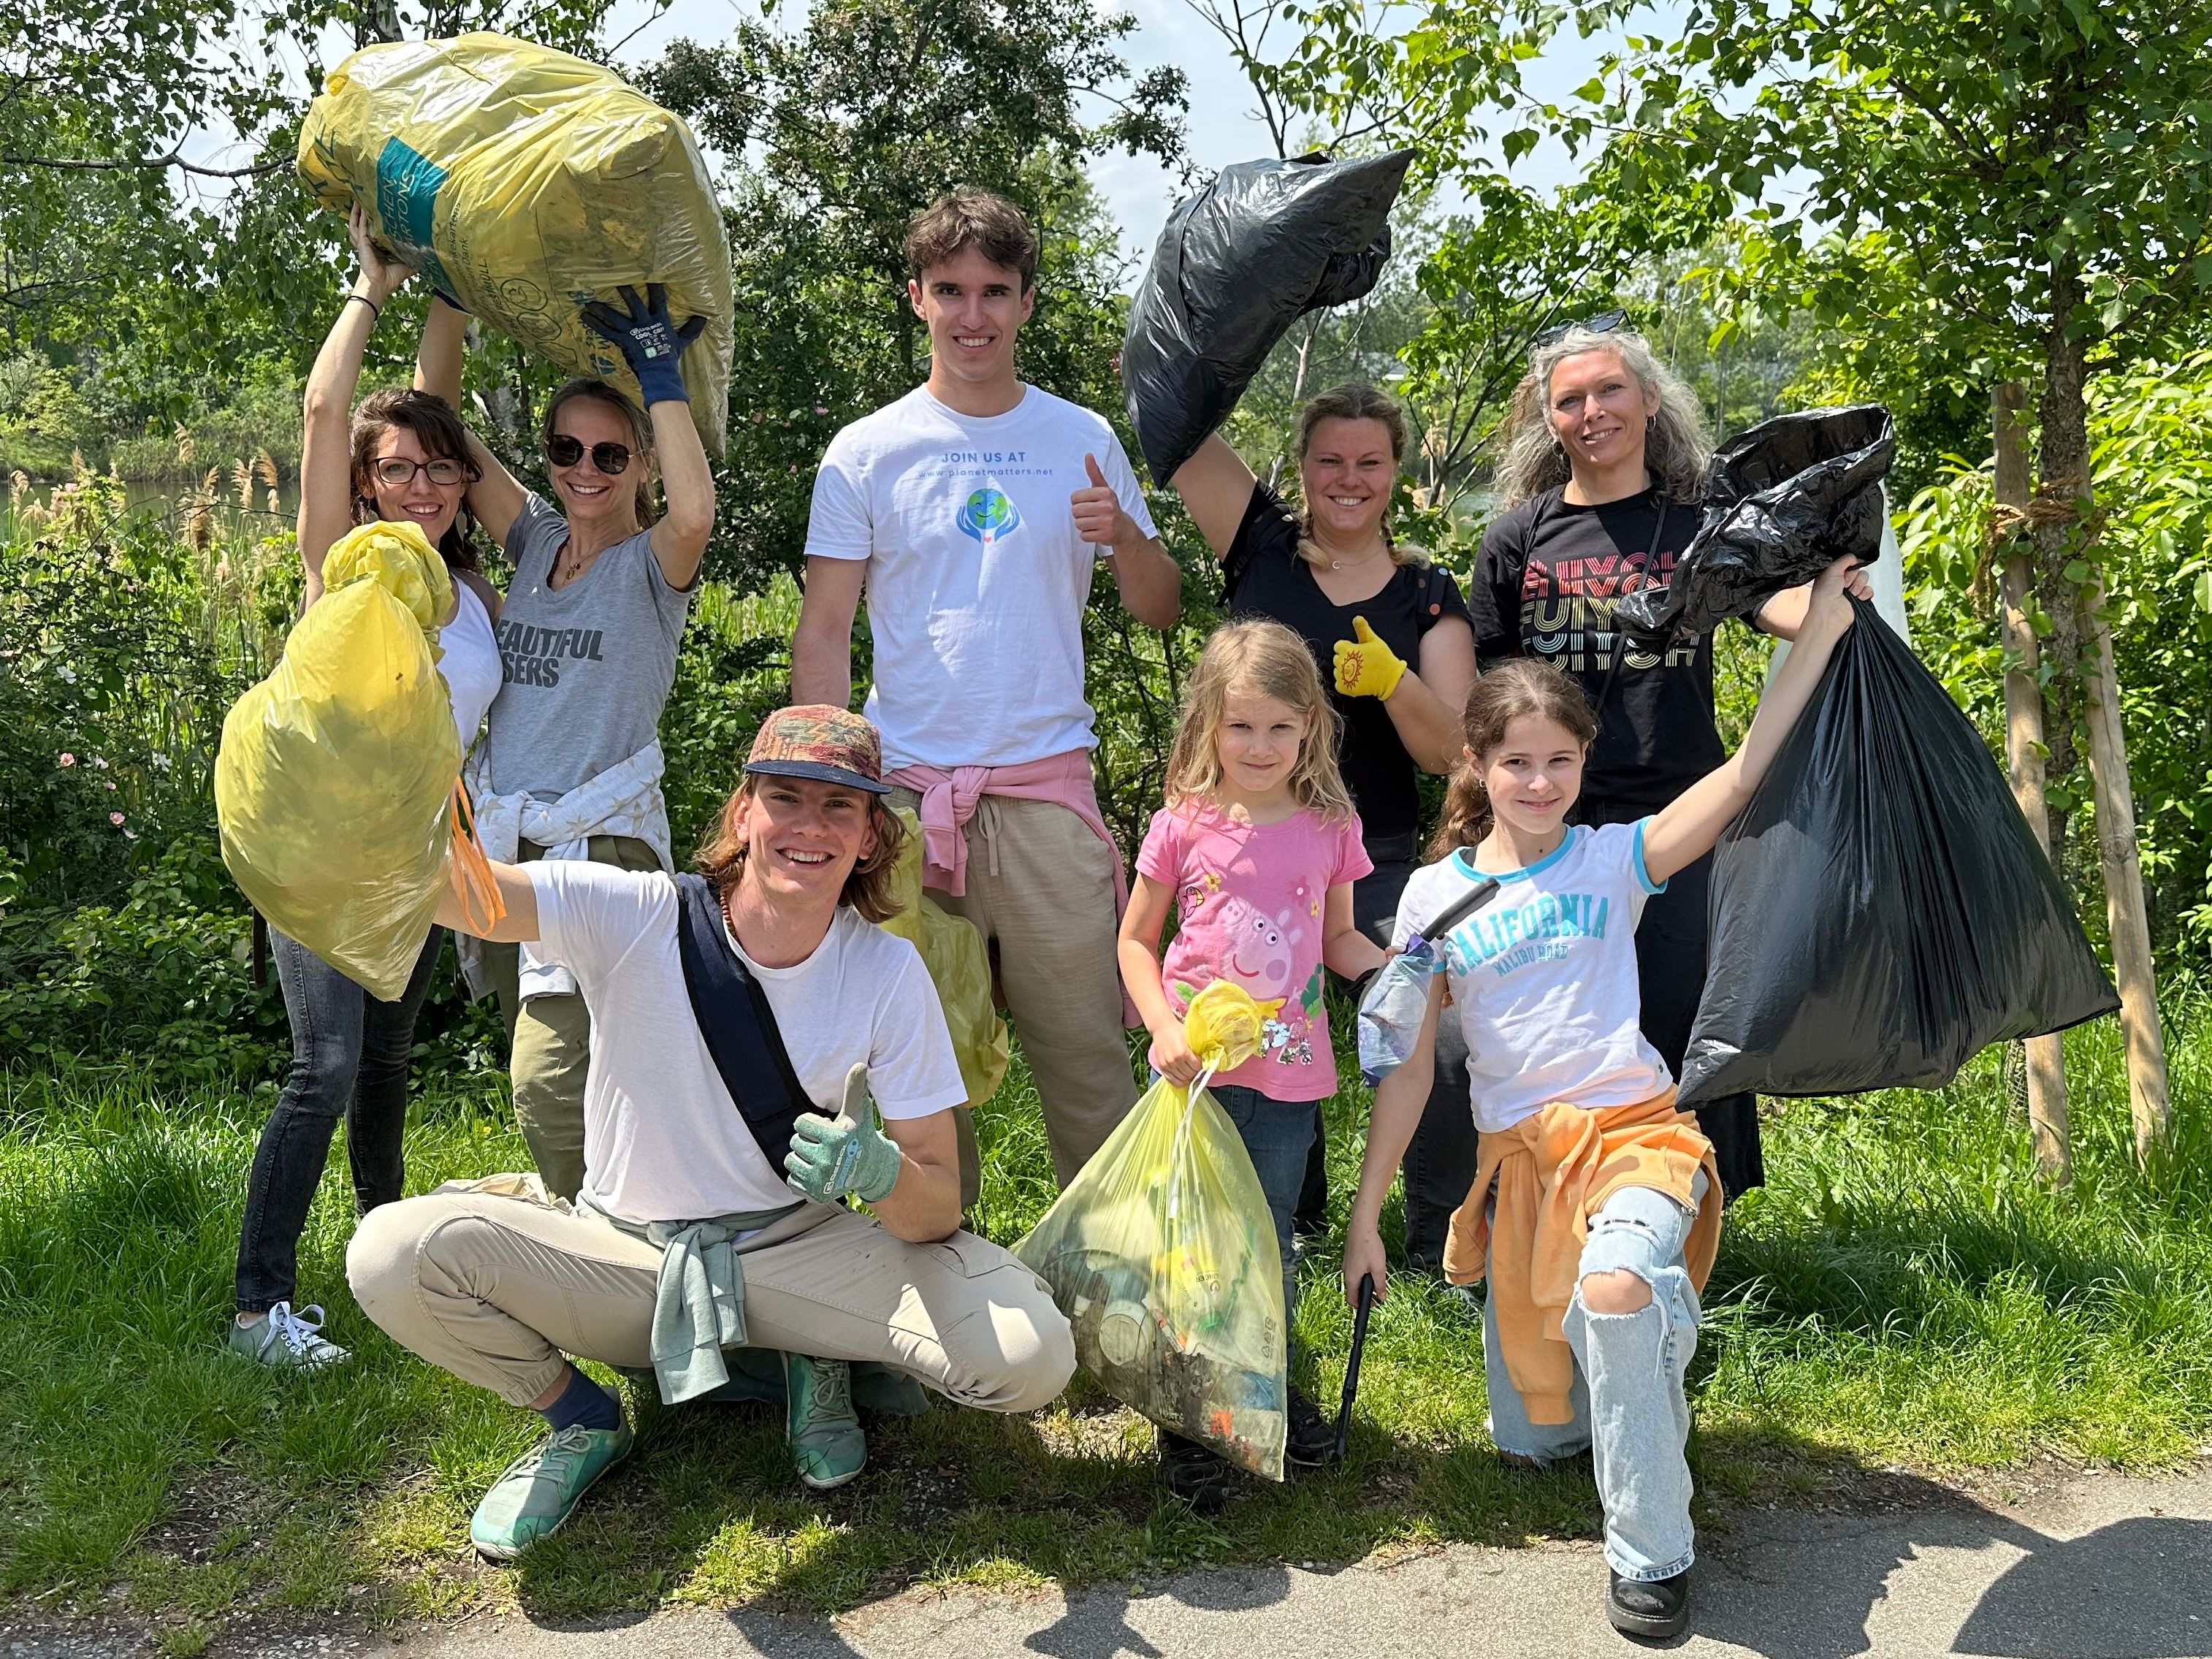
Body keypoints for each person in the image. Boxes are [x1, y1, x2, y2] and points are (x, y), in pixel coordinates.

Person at [348, 705, 1075, 1557]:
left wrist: (879, 1175)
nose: (809, 826)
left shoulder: (887, 971)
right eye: (785, 799)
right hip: (625, 1255)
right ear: (743, 815)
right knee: (390, 1254)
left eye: (840, 806)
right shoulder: (636, 913)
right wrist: (367, 779)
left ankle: (815, 1352)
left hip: (794, 1245)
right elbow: (465, 895)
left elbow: (935, 1205)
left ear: (873, 837)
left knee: (1030, 1356)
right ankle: (580, 1420)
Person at [1341, 554, 1861, 1640]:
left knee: (1618, 1288)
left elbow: (1745, 772)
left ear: (1584, 764)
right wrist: (1366, 1222)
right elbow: (1402, 1063)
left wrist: (1816, 632)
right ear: (1477, 763)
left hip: (1634, 1132)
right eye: (1517, 761)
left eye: (1561, 760)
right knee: (1535, 1441)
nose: (1540, 780)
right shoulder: (1432, 898)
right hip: (1520, 1166)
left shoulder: (1614, 858)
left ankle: (1651, 1554)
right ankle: (1644, 1350)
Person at [793, 187, 1182, 1189]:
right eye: (952, 290)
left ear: (1027, 302)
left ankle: (1110, 1295)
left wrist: (1126, 533)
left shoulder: (1080, 436)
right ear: (916, 297)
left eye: (996, 291)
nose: (975, 315)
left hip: (1048, 793)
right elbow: (827, 629)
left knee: (1087, 1061)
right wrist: (821, 785)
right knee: (906, 1069)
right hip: (908, 801)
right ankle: (938, 1285)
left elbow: (1161, 605)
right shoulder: (866, 451)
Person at [1470, 318, 1870, 1198]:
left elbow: (1787, 615)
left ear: (1649, 400)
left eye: (1610, 390)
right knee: (1563, 1021)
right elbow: (1489, 705)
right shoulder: (1515, 540)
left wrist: (1835, 591)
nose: (1592, 412)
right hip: (1552, 821)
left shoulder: (1700, 525)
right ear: (1551, 418)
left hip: (1684, 815)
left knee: (1681, 1012)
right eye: (1569, 399)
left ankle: (1692, 1213)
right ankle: (1562, 1203)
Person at [228, 206, 504, 1371]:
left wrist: (454, 284)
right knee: (324, 1066)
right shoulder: (342, 563)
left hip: (423, 853)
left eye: (439, 466)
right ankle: (256, 1311)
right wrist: (374, 284)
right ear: (364, 485)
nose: (423, 483)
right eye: (398, 469)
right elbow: (328, 411)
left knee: (388, 1064)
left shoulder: (471, 589)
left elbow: (427, 403)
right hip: (325, 856)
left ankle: (389, 1254)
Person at [414, 278, 717, 1202]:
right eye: (565, 448)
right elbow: (439, 424)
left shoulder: (651, 568)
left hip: (600, 851)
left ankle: (604, 1259)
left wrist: (659, 375)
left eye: (611, 453)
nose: (586, 467)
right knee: (573, 1069)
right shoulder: (535, 544)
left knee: (547, 1080)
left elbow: (697, 513)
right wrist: (449, 293)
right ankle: (621, 1218)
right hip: (505, 849)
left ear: (642, 465)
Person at [1162, 386, 1477, 1267]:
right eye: (1329, 460)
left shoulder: (1425, 595)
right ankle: (1286, 1226)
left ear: (1395, 472)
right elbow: (1176, 428)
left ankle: (1435, 1244)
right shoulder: (1258, 545)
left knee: (1434, 1036)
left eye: (1369, 462)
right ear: (1300, 467)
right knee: (1261, 1030)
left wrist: (1393, 680)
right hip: (1245, 856)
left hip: (1366, 863)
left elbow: (1451, 751)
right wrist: (1170, 348)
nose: (1349, 479)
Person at [1118, 619, 1387, 1509]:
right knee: (1190, 1244)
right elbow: (1134, 943)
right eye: (1241, 728)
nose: (1261, 747)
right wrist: (1162, 1025)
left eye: (1280, 727)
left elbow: (1340, 938)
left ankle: (1259, 1384)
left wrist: (1393, 970)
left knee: (1268, 1240)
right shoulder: (1180, 824)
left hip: (1286, 1082)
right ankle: (1188, 1415)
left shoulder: (1329, 827)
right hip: (1192, 1081)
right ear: (1209, 725)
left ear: (1310, 724)